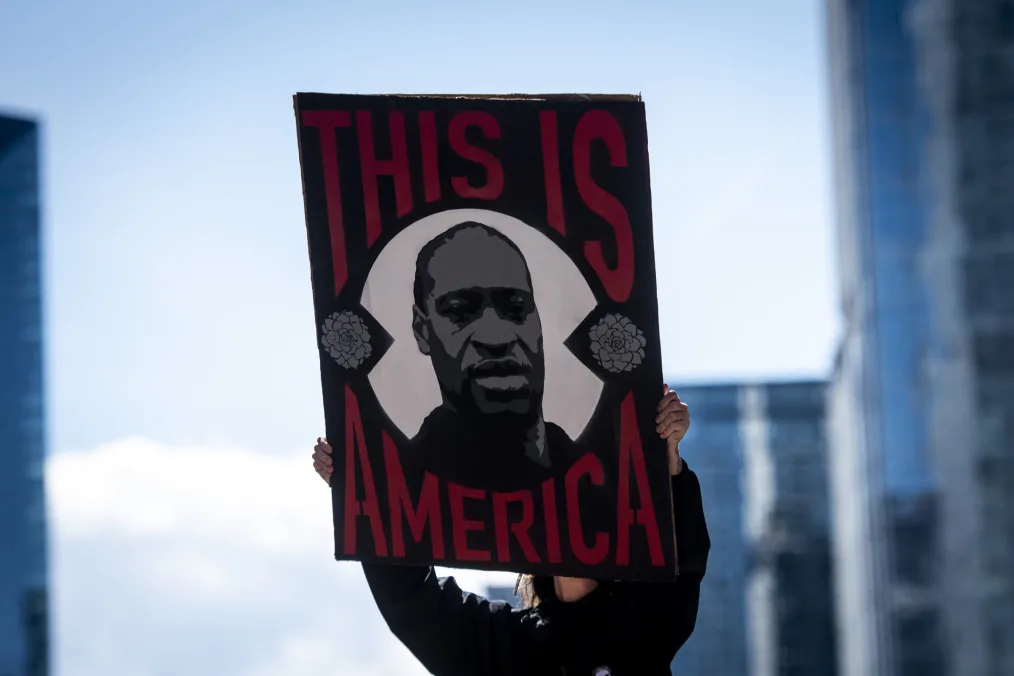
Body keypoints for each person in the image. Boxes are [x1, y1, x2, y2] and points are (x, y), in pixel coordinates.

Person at [312, 386, 710, 675]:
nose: (563, 510)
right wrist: (358, 494)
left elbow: (683, 558)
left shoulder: (644, 623)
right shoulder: (502, 647)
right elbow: (411, 602)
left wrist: (668, 457)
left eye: (575, 494)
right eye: (550, 497)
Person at [406, 221, 581, 488]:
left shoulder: (606, 478)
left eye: (516, 307)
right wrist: (340, 470)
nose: (496, 338)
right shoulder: (393, 485)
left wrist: (667, 461)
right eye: (459, 311)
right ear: (422, 331)